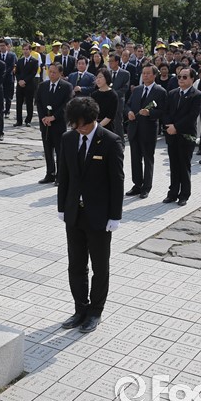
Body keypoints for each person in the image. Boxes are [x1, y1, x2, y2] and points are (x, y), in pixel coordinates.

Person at [57, 96, 124, 334]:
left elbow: (117, 182)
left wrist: (115, 216)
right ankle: (80, 308)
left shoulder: (110, 141)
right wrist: (62, 207)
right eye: (75, 125)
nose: (80, 129)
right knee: (76, 264)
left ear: (93, 119)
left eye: (83, 124)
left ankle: (95, 311)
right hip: (74, 214)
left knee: (99, 266)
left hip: (99, 216)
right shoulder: (68, 139)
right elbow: (64, 176)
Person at [162, 68, 201, 206]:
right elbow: (166, 112)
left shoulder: (197, 95)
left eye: (185, 77)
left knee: (184, 165)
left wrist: (176, 127)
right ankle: (172, 193)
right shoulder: (172, 93)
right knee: (174, 165)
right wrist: (169, 126)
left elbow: (192, 116)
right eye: (179, 77)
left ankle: (184, 194)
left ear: (192, 79)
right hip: (171, 134)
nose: (181, 79)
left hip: (186, 135)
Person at [126, 65, 167, 199]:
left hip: (148, 130)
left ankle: (146, 187)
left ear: (154, 75)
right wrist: (129, 112)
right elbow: (127, 105)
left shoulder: (160, 91)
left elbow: (163, 111)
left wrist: (150, 113)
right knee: (135, 159)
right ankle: (137, 184)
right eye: (144, 73)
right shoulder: (137, 89)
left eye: (148, 73)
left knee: (148, 159)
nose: (145, 75)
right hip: (134, 129)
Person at [35, 63, 73, 184]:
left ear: (60, 73)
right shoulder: (42, 86)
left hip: (58, 123)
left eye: (54, 72)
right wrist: (43, 118)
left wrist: (53, 117)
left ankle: (60, 176)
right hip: (45, 124)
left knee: (59, 150)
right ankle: (50, 173)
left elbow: (66, 104)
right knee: (47, 150)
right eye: (50, 71)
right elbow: (38, 102)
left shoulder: (67, 86)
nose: (51, 74)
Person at [14, 42, 39, 127]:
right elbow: (17, 72)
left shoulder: (34, 61)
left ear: (30, 50)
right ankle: (19, 120)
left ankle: (28, 120)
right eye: (24, 49)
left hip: (29, 85)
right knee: (19, 103)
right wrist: (19, 81)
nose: (25, 51)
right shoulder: (20, 60)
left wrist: (25, 81)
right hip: (20, 85)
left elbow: (33, 73)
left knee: (29, 103)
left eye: (27, 49)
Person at [108, 54, 130, 138]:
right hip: (108, 100)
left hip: (119, 100)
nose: (110, 63)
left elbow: (125, 88)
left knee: (118, 121)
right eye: (109, 61)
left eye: (111, 61)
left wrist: (113, 93)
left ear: (117, 62)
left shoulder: (125, 73)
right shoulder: (108, 73)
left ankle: (120, 140)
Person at [90, 68, 118, 133]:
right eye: (96, 78)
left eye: (100, 77)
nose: (98, 80)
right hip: (93, 125)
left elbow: (110, 116)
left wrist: (97, 127)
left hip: (107, 128)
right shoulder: (94, 94)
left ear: (107, 78)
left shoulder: (113, 95)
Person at [0, 39, 17, 119]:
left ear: (6, 46)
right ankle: (0, 111)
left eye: (3, 45)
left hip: (8, 78)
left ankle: (7, 111)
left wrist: (4, 73)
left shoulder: (11, 55)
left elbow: (12, 66)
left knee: (8, 96)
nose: (2, 47)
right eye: (0, 46)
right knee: (0, 96)